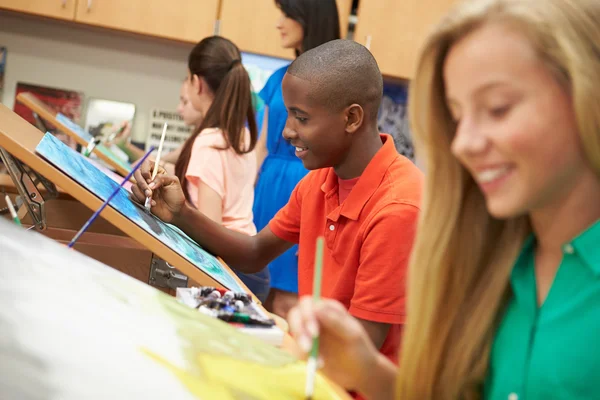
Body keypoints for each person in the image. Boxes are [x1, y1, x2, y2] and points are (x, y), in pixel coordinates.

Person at [287, 0, 600, 399]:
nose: (465, 143)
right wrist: (365, 368)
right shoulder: (486, 262)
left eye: (498, 108)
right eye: (456, 116)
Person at [131, 40, 423, 374]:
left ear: (352, 118)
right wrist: (181, 214)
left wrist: (276, 331)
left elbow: (360, 351)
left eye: (301, 118)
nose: (286, 132)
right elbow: (255, 251)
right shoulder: (318, 182)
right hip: (319, 368)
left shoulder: (398, 207)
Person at [254, 0, 341, 317]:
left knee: (290, 304)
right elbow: (260, 148)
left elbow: (339, 154)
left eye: (288, 14)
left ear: (310, 19)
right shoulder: (278, 79)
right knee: (255, 297)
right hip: (267, 192)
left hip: (310, 188)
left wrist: (322, 224)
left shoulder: (332, 85)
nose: (279, 22)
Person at [112, 80, 203, 173]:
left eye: (185, 102)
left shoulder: (207, 140)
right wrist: (123, 145)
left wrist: (161, 165)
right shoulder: (195, 137)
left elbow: (159, 163)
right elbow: (156, 161)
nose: (179, 109)